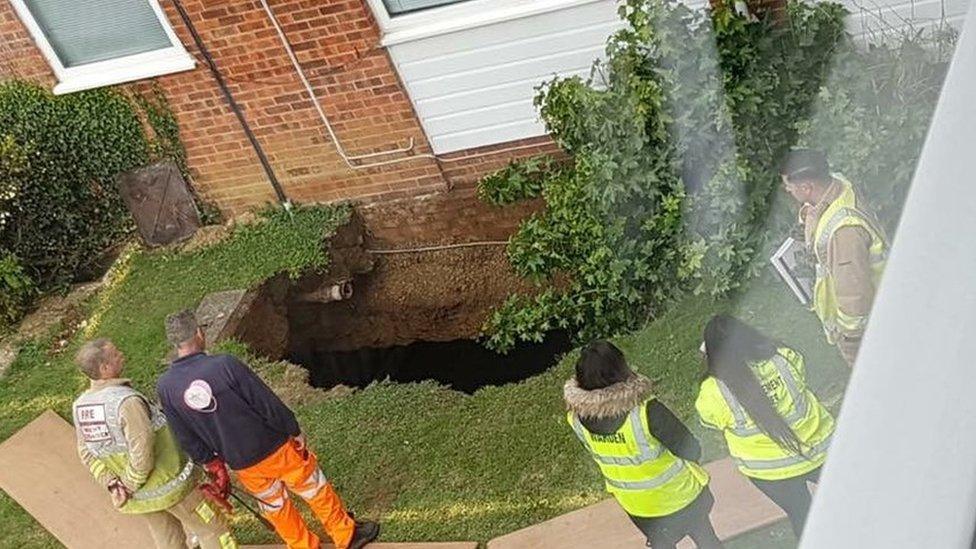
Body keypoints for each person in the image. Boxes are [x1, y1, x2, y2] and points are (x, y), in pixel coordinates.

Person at [156, 309, 379, 549]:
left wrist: (211, 461)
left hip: (241, 462)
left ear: (174, 343)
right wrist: (293, 428)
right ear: (199, 333)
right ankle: (345, 535)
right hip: (273, 446)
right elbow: (265, 402)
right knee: (313, 486)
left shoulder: (166, 387)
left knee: (274, 504)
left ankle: (303, 545)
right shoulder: (225, 365)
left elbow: (184, 434)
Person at [72, 338, 237, 549]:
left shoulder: (81, 407)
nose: (121, 353)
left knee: (168, 541)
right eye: (115, 354)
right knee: (214, 530)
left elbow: (87, 453)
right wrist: (130, 484)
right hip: (171, 489)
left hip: (142, 500)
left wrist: (113, 484)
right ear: (104, 368)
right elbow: (141, 451)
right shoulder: (126, 402)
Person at [565, 341, 724, 548]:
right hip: (681, 499)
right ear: (620, 369)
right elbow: (691, 449)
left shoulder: (575, 419)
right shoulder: (647, 412)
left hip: (638, 508)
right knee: (707, 540)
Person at [695, 315, 835, 536]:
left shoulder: (714, 391)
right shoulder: (784, 357)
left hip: (771, 473)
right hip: (821, 451)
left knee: (802, 516)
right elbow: (802, 376)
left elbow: (710, 419)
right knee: (848, 497)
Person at [779, 148, 888, 367]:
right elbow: (820, 207)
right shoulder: (838, 184)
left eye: (789, 188)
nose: (788, 191)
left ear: (807, 188)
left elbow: (854, 297)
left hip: (872, 328)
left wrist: (851, 341)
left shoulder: (843, 233)